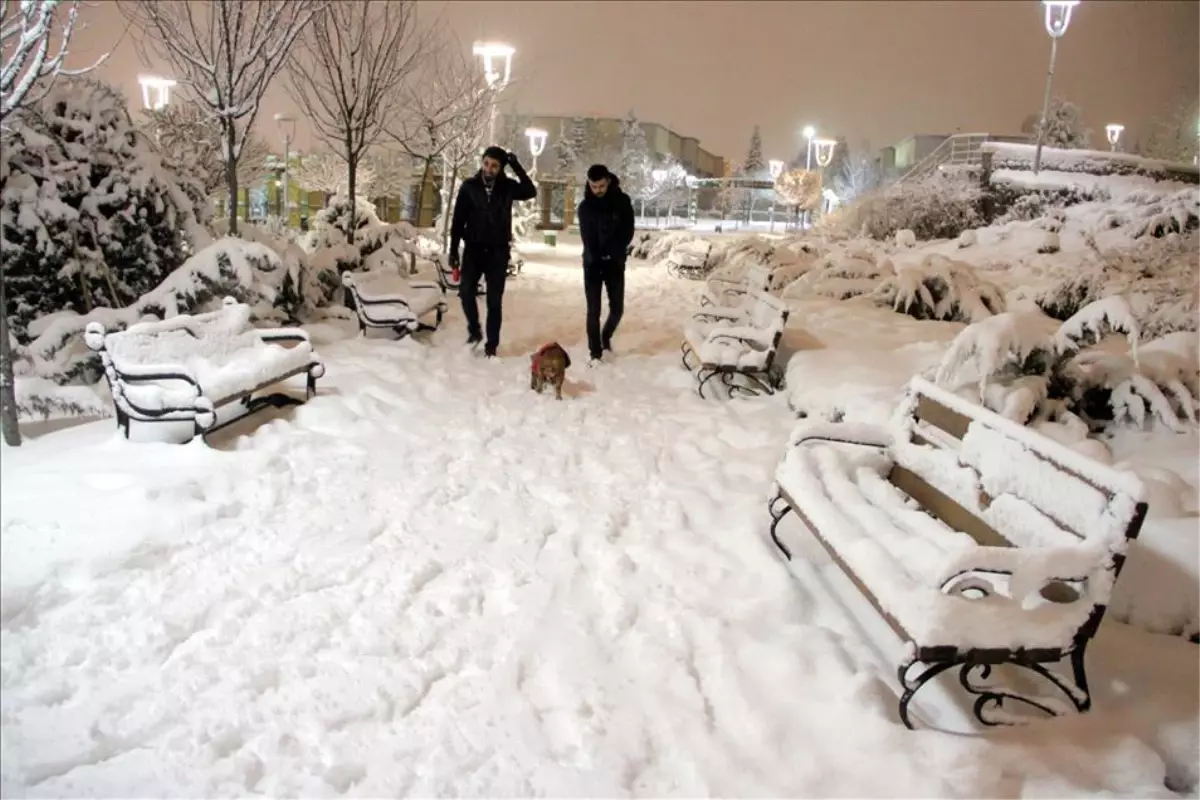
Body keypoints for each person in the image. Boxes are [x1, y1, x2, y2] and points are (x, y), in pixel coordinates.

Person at [448, 145, 538, 357]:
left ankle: (492, 345)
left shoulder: (507, 187)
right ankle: (474, 329)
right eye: (486, 163)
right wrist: (453, 250)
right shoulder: (469, 187)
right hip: (474, 249)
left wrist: (515, 165)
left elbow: (530, 191)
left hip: (498, 252)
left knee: (494, 301)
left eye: (494, 165)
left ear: (500, 168)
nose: (489, 168)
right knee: (466, 291)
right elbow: (458, 220)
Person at [577, 164, 634, 365]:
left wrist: (614, 253)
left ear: (608, 181)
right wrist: (598, 256)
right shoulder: (585, 207)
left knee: (617, 309)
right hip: (592, 264)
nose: (597, 190)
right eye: (594, 186)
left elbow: (628, 231)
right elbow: (587, 237)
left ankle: (606, 336)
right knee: (593, 310)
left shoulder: (623, 202)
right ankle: (595, 352)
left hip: (615, 264)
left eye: (601, 186)